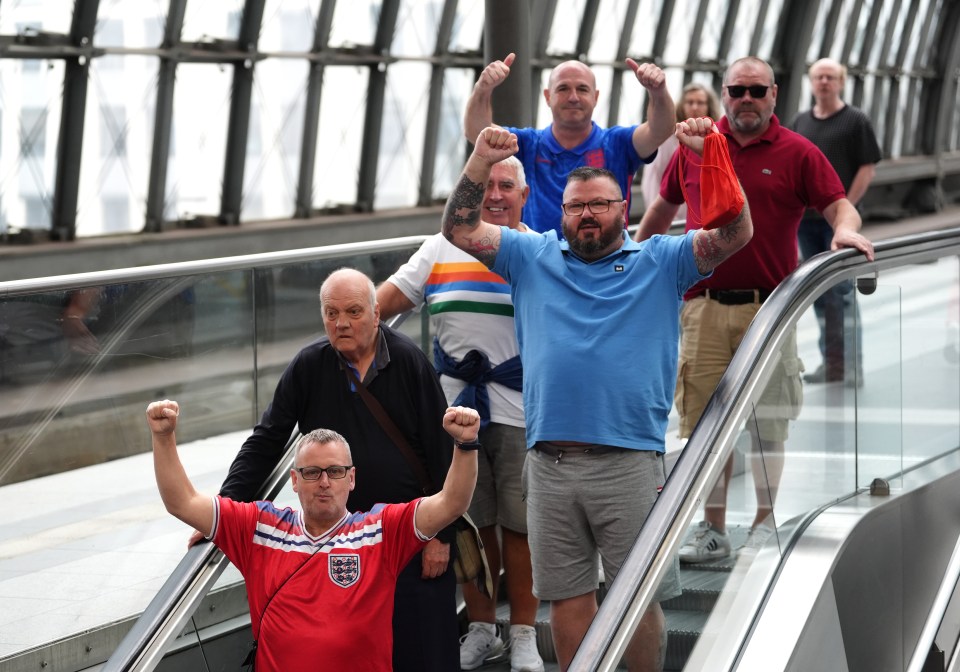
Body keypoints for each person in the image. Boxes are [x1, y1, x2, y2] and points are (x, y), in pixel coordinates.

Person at [443, 123, 753, 671]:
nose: (586, 215)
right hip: (550, 465)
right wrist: (478, 163)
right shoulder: (530, 256)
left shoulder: (662, 260)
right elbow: (460, 229)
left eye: (600, 205)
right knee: (567, 596)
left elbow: (735, 233)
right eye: (574, 206)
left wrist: (715, 157)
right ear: (560, 212)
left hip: (630, 463)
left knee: (637, 597)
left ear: (623, 205)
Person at [635, 56, 875, 564]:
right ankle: (714, 529)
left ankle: (766, 528)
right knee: (703, 426)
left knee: (770, 424)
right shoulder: (698, 146)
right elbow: (662, 208)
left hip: (769, 311)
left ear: (774, 95)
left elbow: (838, 204)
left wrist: (845, 229)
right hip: (701, 309)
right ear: (725, 94)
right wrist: (629, 263)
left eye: (756, 91)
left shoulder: (797, 152)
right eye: (737, 90)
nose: (746, 99)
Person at [215, 268, 459, 672]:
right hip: (341, 540)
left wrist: (440, 535)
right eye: (331, 313)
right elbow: (266, 439)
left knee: (423, 649)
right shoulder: (310, 365)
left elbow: (442, 452)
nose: (341, 323)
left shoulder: (409, 362)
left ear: (377, 313)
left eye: (353, 311)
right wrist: (223, 509)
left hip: (408, 535)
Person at [147, 399, 480, 672]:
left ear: (351, 479)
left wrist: (465, 446)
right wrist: (163, 438)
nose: (324, 482)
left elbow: (451, 502)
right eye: (312, 472)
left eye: (335, 471)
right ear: (294, 480)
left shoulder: (381, 530)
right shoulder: (260, 527)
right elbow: (182, 502)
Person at [377, 155, 543, 672]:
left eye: (506, 186)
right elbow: (377, 307)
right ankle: (481, 626)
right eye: (485, 184)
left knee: (520, 529)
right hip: (454, 415)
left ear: (524, 195)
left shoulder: (537, 249)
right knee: (469, 523)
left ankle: (523, 634)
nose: (494, 195)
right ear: (465, 195)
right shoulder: (438, 249)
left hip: (521, 411)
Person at [463, 53, 674, 236]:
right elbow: (477, 131)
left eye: (582, 89)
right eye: (563, 89)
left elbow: (660, 130)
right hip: (538, 265)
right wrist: (483, 89)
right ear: (547, 96)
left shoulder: (618, 143)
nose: (573, 97)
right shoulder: (526, 144)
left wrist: (658, 92)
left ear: (596, 97)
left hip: (604, 267)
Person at [791, 57, 882, 384]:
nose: (824, 82)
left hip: (836, 222)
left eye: (830, 77)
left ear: (841, 81)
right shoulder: (801, 122)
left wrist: (844, 209)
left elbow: (867, 167)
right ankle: (833, 364)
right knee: (819, 293)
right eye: (818, 77)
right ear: (811, 83)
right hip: (806, 221)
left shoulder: (855, 120)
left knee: (841, 292)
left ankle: (850, 366)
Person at [640, 82, 721, 217]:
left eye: (700, 102)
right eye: (690, 102)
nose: (695, 107)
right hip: (671, 220)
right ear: (682, 105)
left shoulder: (716, 140)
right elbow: (653, 179)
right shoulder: (667, 139)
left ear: (709, 107)